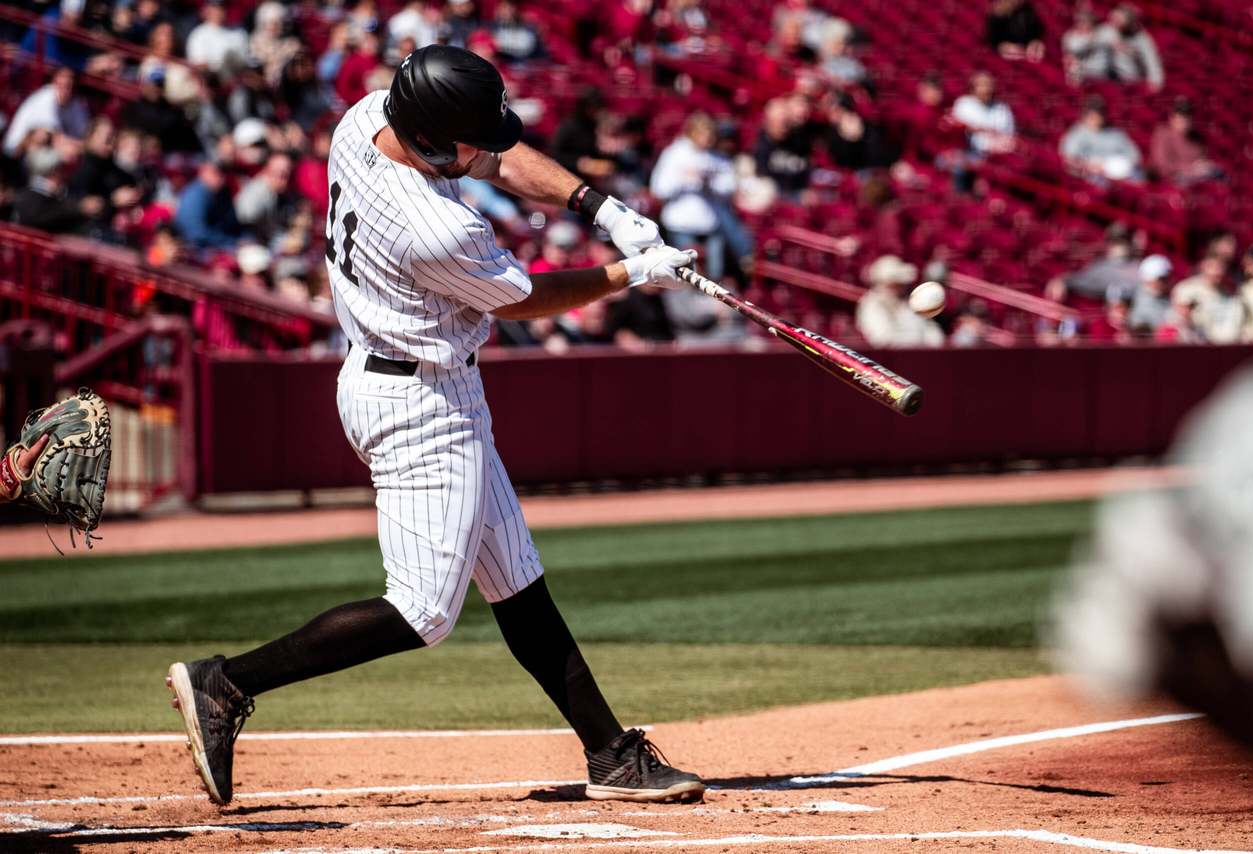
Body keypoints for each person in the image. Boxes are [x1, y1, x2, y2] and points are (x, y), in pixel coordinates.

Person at [165, 45, 705, 809]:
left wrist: (602, 209)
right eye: (470, 141)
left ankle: (611, 755)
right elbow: (518, 300)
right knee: (421, 611)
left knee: (517, 582)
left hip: (426, 382)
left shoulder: (363, 121)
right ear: (430, 140)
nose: (488, 149)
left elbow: (498, 159)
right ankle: (226, 683)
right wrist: (632, 272)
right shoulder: (432, 227)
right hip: (414, 404)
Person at [651, 112, 749, 282]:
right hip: (681, 226)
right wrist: (684, 179)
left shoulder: (718, 157)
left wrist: (709, 182)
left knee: (713, 279)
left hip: (711, 226)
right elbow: (659, 189)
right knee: (686, 277)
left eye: (710, 135)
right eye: (703, 134)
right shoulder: (675, 153)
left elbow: (730, 187)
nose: (707, 140)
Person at [855, 255, 944, 348]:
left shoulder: (911, 301)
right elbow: (882, 338)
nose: (902, 287)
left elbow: (930, 329)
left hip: (922, 357)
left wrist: (932, 343)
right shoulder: (872, 304)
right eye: (896, 284)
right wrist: (918, 342)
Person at [2, 68, 90, 157]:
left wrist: (85, 146)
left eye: (70, 86)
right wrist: (84, 147)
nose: (66, 90)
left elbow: (86, 135)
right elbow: (53, 139)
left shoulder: (76, 104)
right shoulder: (45, 97)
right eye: (62, 85)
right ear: (54, 83)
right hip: (14, 151)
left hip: (49, 151)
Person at [11, 150, 103, 234]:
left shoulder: (59, 193)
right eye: (62, 170)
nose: (66, 174)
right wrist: (79, 208)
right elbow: (44, 217)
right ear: (52, 172)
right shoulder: (31, 196)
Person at [1059, 96, 1142, 184]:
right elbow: (1068, 157)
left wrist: (1122, 166)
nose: (1096, 119)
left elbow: (1135, 155)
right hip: (1092, 175)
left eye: (1099, 115)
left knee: (1139, 178)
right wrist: (1090, 165)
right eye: (1092, 115)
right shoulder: (1077, 133)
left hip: (1121, 173)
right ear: (1085, 116)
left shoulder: (1116, 133)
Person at [1148, 98, 1222, 186]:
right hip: (1171, 181)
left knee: (1219, 176)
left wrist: (1205, 166)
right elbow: (1161, 164)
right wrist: (1190, 168)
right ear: (1172, 116)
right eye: (1180, 115)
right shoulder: (1162, 132)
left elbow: (1203, 157)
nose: (1183, 119)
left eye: (1187, 116)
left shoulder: (1195, 136)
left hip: (1197, 178)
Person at [1170, 256, 1243, 344]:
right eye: (1212, 267)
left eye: (1221, 267)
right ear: (1202, 266)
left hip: (1228, 348)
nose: (1218, 272)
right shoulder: (1187, 290)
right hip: (1197, 348)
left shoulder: (1232, 297)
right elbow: (1179, 322)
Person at [753, 95, 814, 200]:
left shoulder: (800, 143)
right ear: (768, 121)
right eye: (779, 121)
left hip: (794, 196)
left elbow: (803, 177)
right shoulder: (758, 144)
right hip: (769, 197)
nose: (783, 127)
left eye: (786, 122)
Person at [172, 161, 241, 249]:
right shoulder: (195, 196)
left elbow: (233, 224)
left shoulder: (222, 193)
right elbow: (196, 234)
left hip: (222, 244)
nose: (221, 178)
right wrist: (233, 242)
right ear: (203, 172)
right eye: (215, 173)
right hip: (197, 250)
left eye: (223, 173)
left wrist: (246, 238)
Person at [1095, 3, 1163, 91]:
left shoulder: (1141, 37)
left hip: (1130, 78)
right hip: (1106, 77)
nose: (1114, 21)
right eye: (1114, 18)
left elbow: (1151, 60)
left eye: (1118, 19)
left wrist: (1155, 80)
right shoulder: (1106, 31)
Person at [186, 0, 250, 80]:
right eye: (215, 7)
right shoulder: (198, 35)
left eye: (221, 7)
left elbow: (246, 60)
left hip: (238, 79)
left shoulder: (239, 32)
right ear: (207, 9)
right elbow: (197, 65)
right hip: (213, 81)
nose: (218, 12)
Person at [1062, 6, 1108, 85]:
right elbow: (1070, 51)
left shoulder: (1099, 35)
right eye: (1080, 22)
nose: (1082, 25)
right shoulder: (1070, 36)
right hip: (1080, 70)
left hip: (1098, 70)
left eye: (1085, 22)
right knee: (1075, 67)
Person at [1127, 254, 1173, 334]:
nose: (1160, 283)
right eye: (1159, 279)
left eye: (1164, 279)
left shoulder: (1174, 296)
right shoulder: (1132, 297)